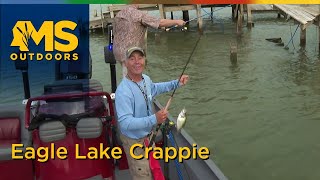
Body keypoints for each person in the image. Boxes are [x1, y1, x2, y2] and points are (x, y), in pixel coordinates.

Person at [115, 46, 189, 180]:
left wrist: (176, 83)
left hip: (149, 137)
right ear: (125, 63)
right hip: (134, 142)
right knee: (142, 175)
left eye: (140, 58)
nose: (137, 62)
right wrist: (154, 119)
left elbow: (155, 88)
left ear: (145, 60)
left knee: (153, 170)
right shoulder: (123, 91)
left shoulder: (145, 79)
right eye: (132, 59)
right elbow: (125, 123)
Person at [113, 4, 186, 77]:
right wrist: (177, 21)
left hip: (118, 51)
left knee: (127, 73)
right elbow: (159, 22)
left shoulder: (119, 14)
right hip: (131, 52)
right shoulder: (138, 14)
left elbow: (115, 32)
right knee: (132, 78)